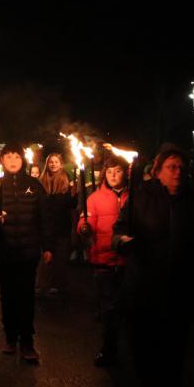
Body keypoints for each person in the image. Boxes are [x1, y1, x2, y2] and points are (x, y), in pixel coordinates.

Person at [113, 147, 194, 387]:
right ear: (157, 171)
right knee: (144, 350)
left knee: (174, 355)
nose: (178, 172)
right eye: (171, 167)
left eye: (181, 167)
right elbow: (118, 231)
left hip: (181, 291)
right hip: (144, 290)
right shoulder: (140, 199)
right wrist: (122, 242)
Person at [0, 144, 54, 362]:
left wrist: (47, 246)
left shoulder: (34, 185)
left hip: (28, 252)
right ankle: (10, 337)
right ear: (2, 160)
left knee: (26, 296)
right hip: (3, 250)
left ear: (23, 160)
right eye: (8, 156)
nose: (12, 160)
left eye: (16, 156)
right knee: (7, 296)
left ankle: (27, 341)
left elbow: (44, 218)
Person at [78, 156, 129, 367]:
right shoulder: (95, 198)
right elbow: (85, 220)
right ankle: (109, 349)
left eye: (117, 171)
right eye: (109, 172)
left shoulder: (134, 196)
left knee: (129, 307)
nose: (113, 175)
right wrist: (83, 228)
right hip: (104, 260)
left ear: (125, 172)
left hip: (129, 261)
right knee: (108, 310)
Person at [37, 153, 76, 295]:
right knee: (46, 256)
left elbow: (71, 204)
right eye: (51, 162)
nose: (53, 164)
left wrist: (74, 193)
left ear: (61, 164)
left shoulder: (66, 180)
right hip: (46, 225)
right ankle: (42, 284)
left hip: (61, 225)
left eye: (56, 162)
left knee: (60, 256)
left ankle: (58, 284)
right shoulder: (42, 181)